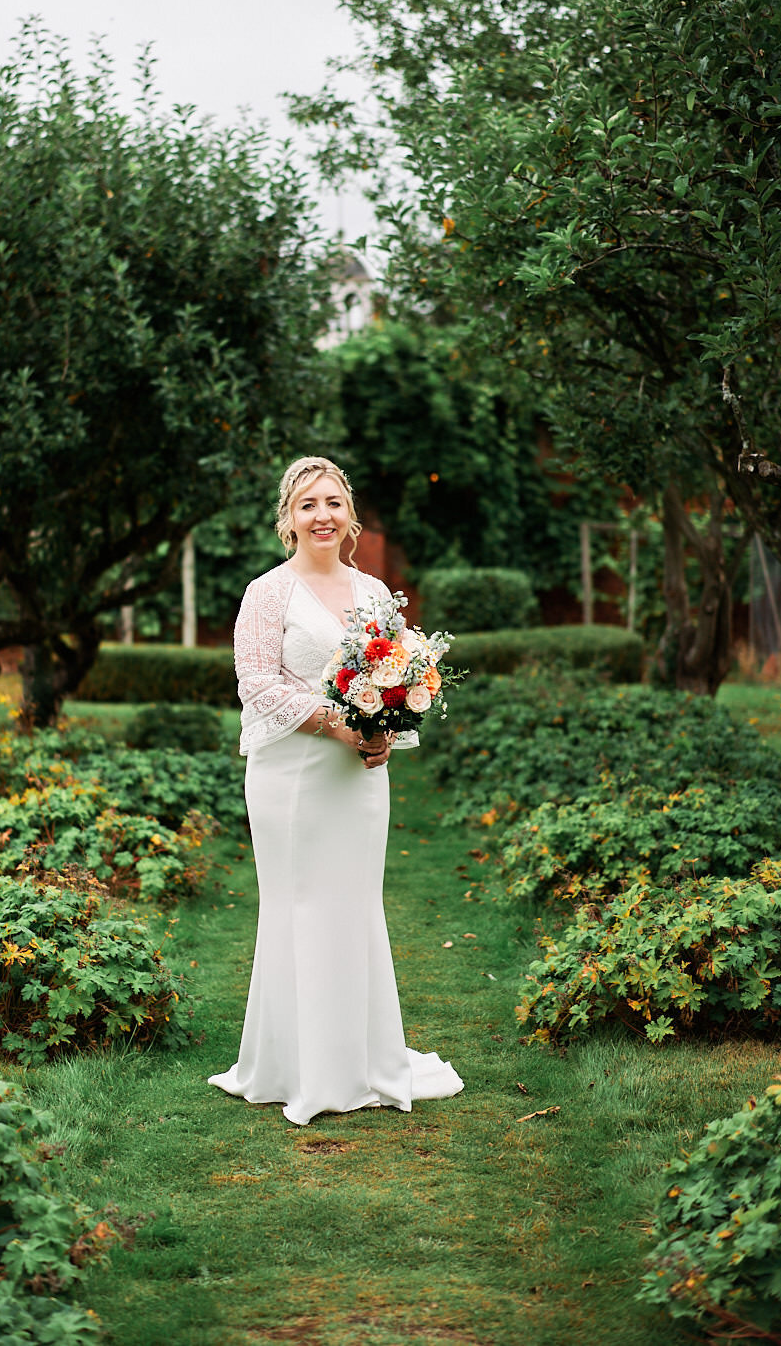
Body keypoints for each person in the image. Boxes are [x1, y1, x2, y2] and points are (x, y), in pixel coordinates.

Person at [208, 456, 464, 1126]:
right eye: (306, 505)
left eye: (332, 503)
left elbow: (398, 676)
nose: (321, 515)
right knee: (300, 908)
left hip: (358, 782)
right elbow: (256, 684)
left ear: (349, 514)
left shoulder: (377, 593)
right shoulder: (268, 594)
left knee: (353, 907)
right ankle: (296, 1068)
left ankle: (360, 1061)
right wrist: (337, 722)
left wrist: (382, 732)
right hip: (291, 778)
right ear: (288, 521)